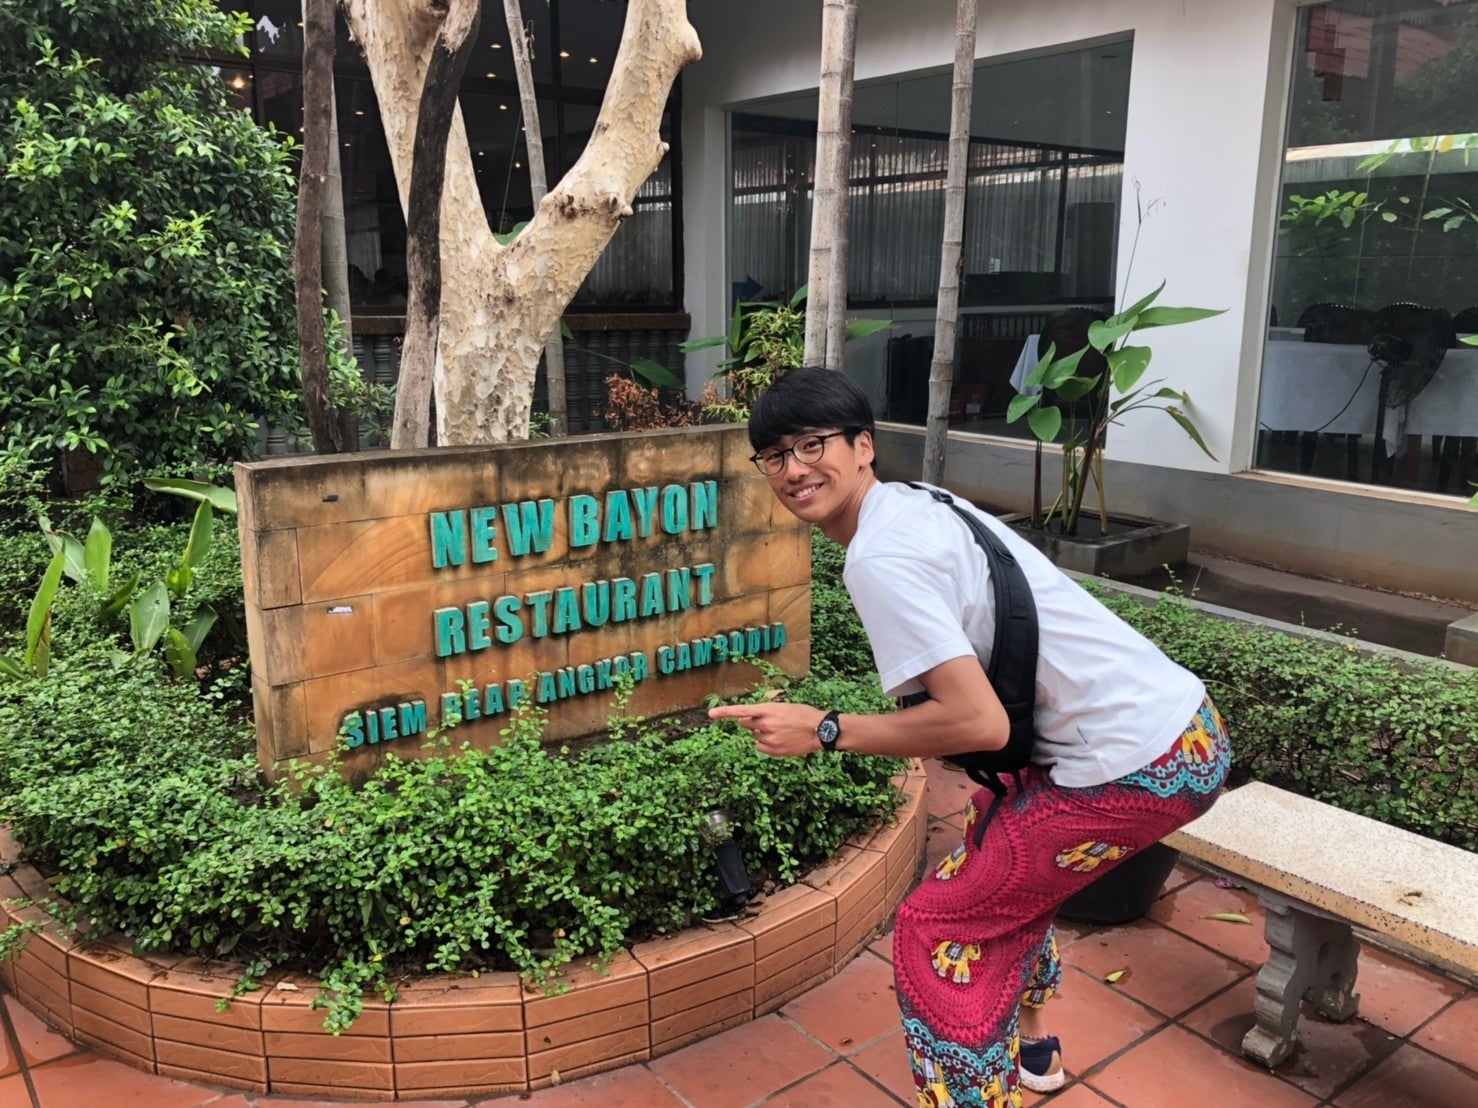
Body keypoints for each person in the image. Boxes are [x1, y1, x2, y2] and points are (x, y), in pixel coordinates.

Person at [708, 367, 1230, 1107]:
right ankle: (1034, 1042)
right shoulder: (917, 502)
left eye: (812, 444)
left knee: (938, 931)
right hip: (1184, 727)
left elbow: (978, 722)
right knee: (996, 848)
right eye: (774, 454)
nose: (793, 469)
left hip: (1134, 765)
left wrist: (824, 729)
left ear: (863, 446)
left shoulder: (879, 555)